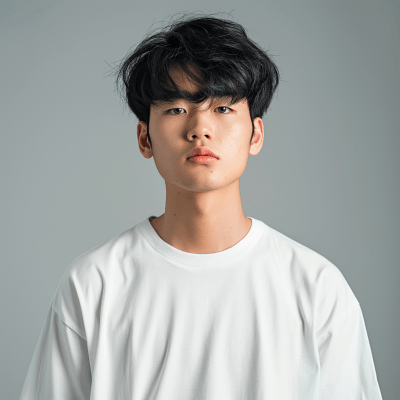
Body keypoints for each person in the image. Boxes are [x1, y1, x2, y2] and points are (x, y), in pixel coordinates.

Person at [19, 12, 383, 400]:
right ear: (144, 138)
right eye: (176, 109)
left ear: (255, 134)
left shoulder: (317, 288)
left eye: (223, 108)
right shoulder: (93, 284)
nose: (199, 128)